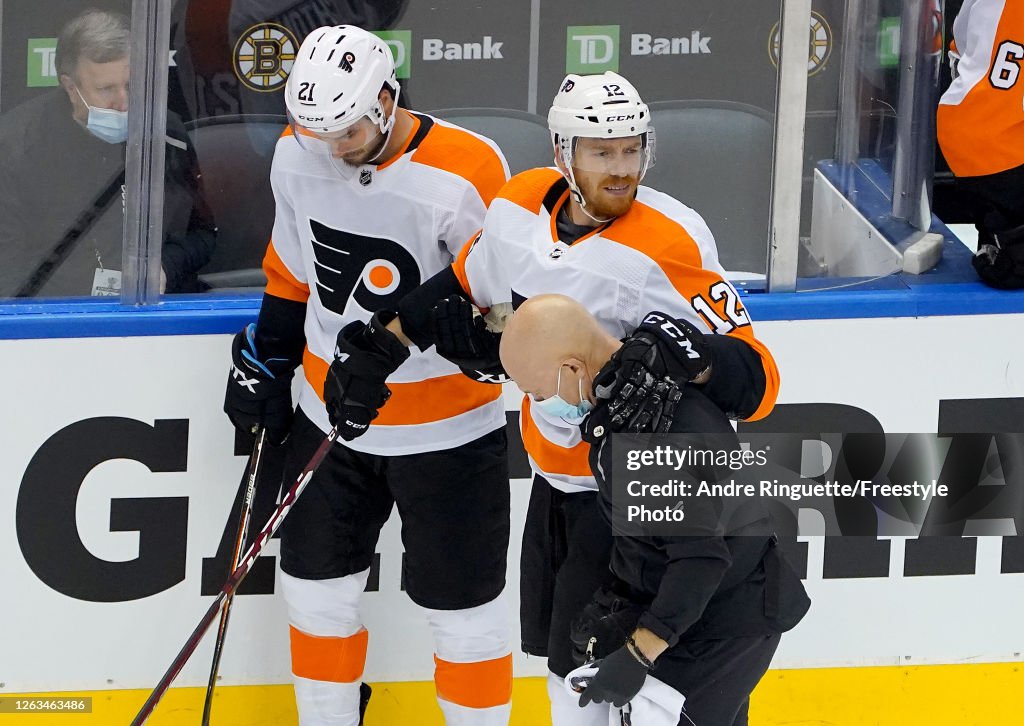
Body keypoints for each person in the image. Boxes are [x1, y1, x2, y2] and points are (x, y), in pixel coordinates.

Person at [322, 71, 781, 723]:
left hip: (629, 499)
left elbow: (759, 384)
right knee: (567, 671)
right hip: (554, 481)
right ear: (562, 154)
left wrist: (698, 358)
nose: (621, 169)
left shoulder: (672, 240)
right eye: (602, 152)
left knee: (627, 684)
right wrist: (383, 346)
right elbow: (460, 283)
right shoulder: (515, 207)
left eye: (631, 150)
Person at [221, 25, 513, 726]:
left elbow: (496, 304)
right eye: (313, 128)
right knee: (315, 595)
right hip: (330, 420)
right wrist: (269, 355)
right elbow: (293, 268)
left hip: (448, 435)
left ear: (386, 98)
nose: (329, 146)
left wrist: (420, 345)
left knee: (465, 618)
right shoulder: (297, 154)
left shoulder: (467, 168)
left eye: (346, 129)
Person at [500, 294, 810, 726]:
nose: (537, 402)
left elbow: (701, 559)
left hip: (723, 623)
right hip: (721, 607)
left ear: (571, 369)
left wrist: (637, 652)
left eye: (535, 392)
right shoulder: (648, 390)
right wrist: (619, 604)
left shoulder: (641, 437)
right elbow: (655, 538)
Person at [0, 9, 216, 298]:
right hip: (58, 316)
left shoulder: (166, 132)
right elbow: (9, 268)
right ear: (70, 87)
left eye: (131, 85)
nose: (124, 103)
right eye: (106, 89)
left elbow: (202, 234)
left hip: (157, 310)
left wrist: (164, 267)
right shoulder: (17, 147)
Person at [937, 0, 1024, 288]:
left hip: (958, 126)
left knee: (1000, 207)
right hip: (1007, 148)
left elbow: (957, 49)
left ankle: (999, 240)